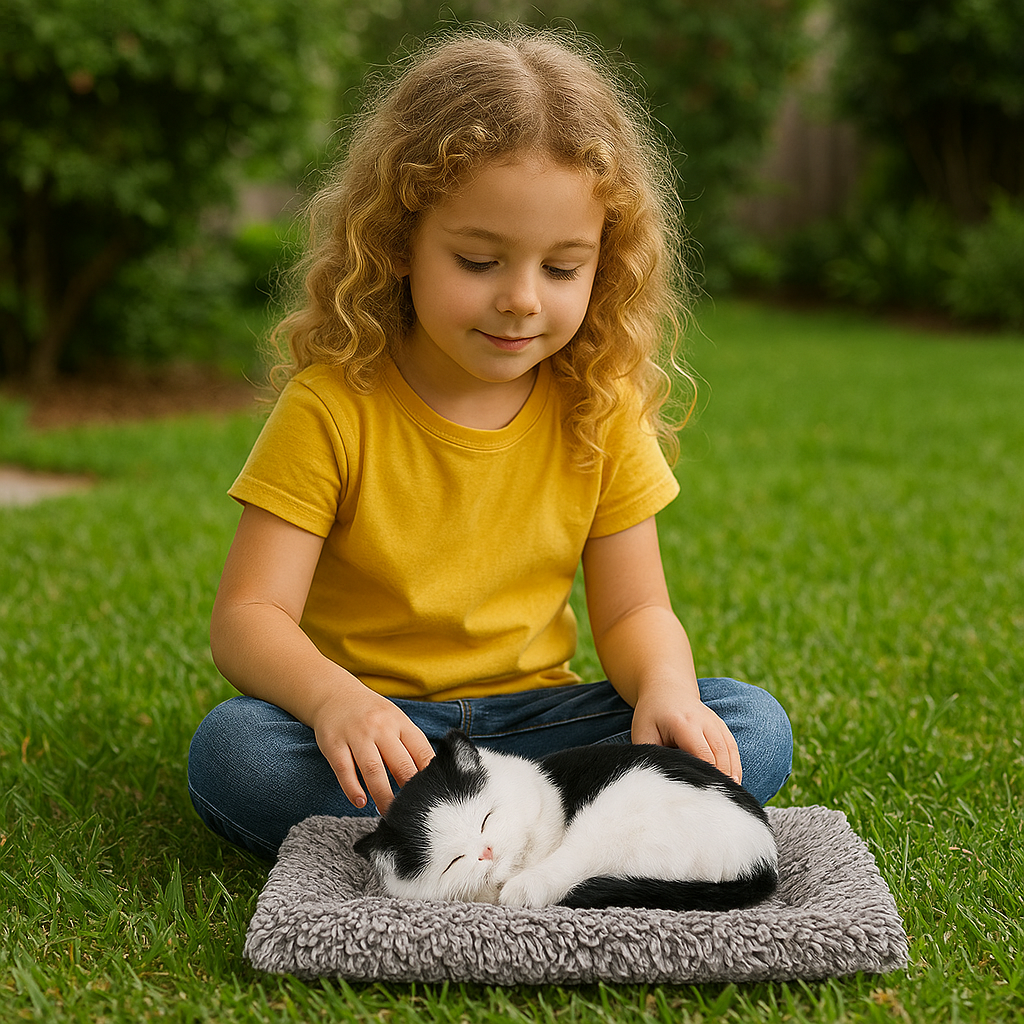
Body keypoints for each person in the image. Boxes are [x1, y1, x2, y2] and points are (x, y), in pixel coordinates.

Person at [188, 26, 792, 861]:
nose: (519, 299)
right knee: (236, 754)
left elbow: (634, 610)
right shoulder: (331, 406)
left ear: (604, 266)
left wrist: (666, 690)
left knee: (750, 726)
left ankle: (458, 842)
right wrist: (336, 703)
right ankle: (560, 837)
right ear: (399, 243)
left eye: (561, 268)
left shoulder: (597, 407)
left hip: (536, 727)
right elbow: (250, 619)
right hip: (381, 736)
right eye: (479, 259)